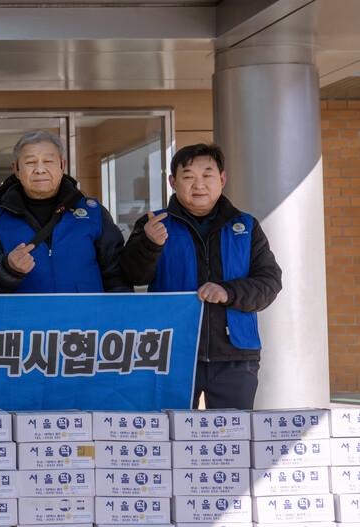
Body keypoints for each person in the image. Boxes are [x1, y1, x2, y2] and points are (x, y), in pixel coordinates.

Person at [120, 143, 282, 410]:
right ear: (173, 182)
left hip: (235, 353)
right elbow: (132, 276)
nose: (199, 184)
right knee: (170, 439)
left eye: (207, 175)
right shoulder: (153, 224)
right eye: (188, 176)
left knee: (234, 437)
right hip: (170, 352)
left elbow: (270, 282)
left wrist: (228, 292)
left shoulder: (246, 226)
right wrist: (149, 245)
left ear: (222, 179)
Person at [0, 130, 130, 293]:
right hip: (25, 318)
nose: (40, 169)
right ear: (16, 170)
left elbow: (116, 275)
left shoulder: (93, 213)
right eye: (30, 162)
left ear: (62, 166)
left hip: (87, 317)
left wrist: (118, 316)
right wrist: (6, 268)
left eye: (48, 161)